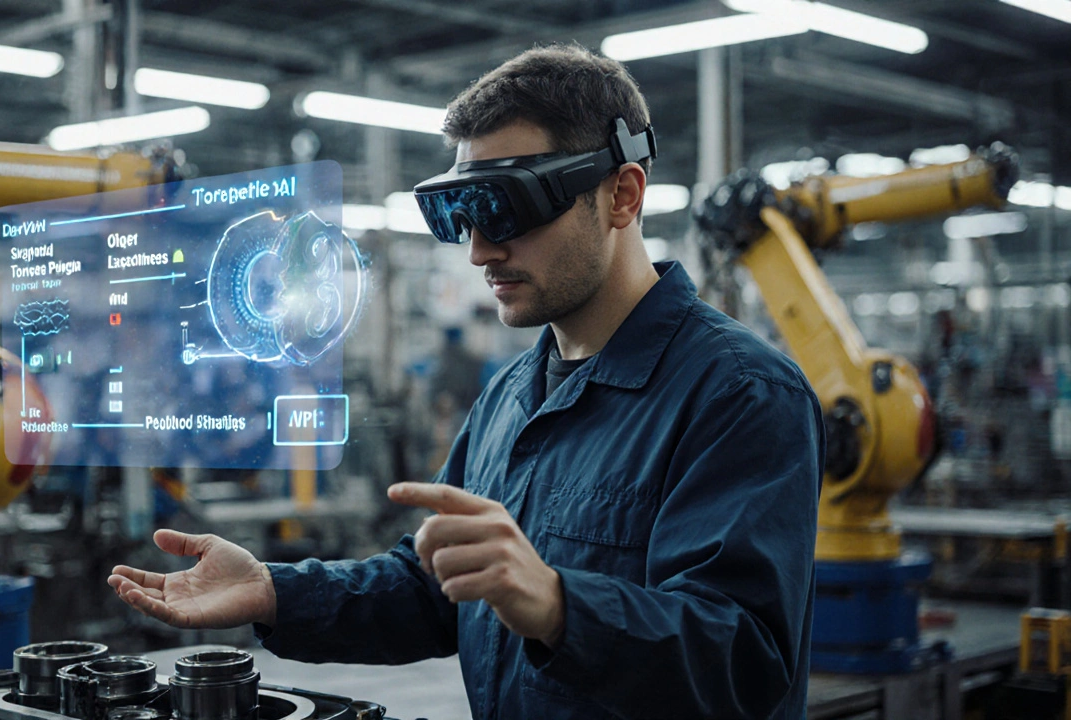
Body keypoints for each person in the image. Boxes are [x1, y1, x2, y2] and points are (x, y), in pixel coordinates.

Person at [108, 44, 824, 719]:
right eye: (463, 213)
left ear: (622, 196)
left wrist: (559, 606)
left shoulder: (739, 395)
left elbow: (746, 663)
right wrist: (274, 591)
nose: (480, 250)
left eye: (508, 207)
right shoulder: (512, 396)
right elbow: (435, 590)